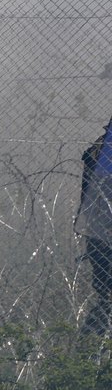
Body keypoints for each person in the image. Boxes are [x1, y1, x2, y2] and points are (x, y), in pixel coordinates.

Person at [76, 117, 112, 335]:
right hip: (100, 232)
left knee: (104, 292)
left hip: (98, 232)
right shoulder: (98, 152)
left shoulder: (98, 151)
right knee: (104, 291)